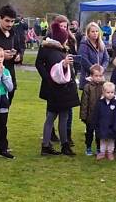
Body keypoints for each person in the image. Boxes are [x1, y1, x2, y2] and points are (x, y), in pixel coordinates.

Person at [36, 16, 80, 156]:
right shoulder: (49, 48)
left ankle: (63, 144)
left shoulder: (63, 49)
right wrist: (48, 78)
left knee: (63, 116)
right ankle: (48, 145)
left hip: (65, 89)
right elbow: (41, 64)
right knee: (52, 117)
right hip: (56, 89)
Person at [79, 64, 107, 156]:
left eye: (100, 75)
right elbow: (84, 103)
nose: (98, 78)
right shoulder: (87, 87)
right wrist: (83, 116)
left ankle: (99, 148)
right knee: (89, 133)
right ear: (91, 76)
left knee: (99, 133)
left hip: (101, 115)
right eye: (96, 76)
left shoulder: (105, 86)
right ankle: (88, 147)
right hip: (90, 116)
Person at [77, 21, 110, 91]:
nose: (95, 33)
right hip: (88, 77)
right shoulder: (84, 44)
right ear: (88, 33)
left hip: (100, 76)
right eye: (92, 31)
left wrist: (102, 68)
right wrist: (94, 71)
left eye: (97, 31)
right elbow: (84, 60)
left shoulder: (101, 44)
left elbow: (106, 58)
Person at [96, 81, 116, 161]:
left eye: (112, 92)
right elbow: (96, 114)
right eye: (108, 92)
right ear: (103, 92)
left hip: (113, 126)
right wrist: (96, 125)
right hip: (102, 126)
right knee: (102, 140)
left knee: (111, 140)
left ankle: (110, 152)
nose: (110, 94)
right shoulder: (100, 102)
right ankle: (102, 152)